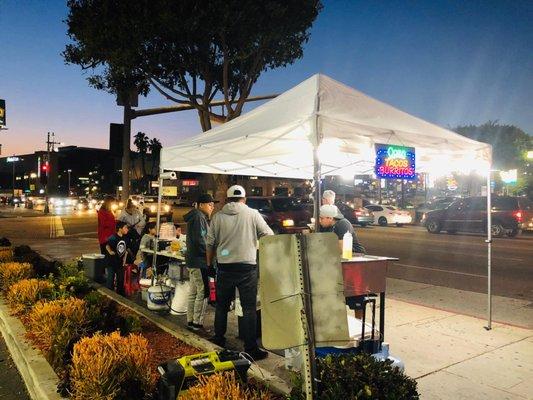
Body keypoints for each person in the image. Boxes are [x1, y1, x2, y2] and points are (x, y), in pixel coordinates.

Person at [206, 185, 273, 360]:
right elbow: (268, 234)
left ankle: (219, 339)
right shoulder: (252, 214)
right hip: (247, 268)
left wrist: (209, 264)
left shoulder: (218, 217)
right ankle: (251, 347)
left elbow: (210, 243)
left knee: (221, 307)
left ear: (227, 199)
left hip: (225, 267)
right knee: (249, 309)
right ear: (244, 199)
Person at [319, 204, 366, 317]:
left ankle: (359, 321)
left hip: (354, 257)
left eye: (321, 218)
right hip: (340, 260)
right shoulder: (328, 227)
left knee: (355, 295)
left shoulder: (342, 224)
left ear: (330, 218)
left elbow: (342, 249)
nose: (319, 221)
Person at [184, 193, 216, 333]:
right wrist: (210, 253)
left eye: (213, 205)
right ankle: (197, 323)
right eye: (210, 204)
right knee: (203, 292)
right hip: (199, 261)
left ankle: (191, 321)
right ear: (201, 205)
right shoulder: (198, 217)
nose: (212, 208)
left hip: (193, 260)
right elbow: (201, 241)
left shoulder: (196, 217)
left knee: (194, 292)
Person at [105, 221, 129, 295]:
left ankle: (120, 295)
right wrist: (110, 251)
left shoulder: (125, 238)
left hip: (120, 263)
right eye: (125, 227)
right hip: (111, 262)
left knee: (120, 280)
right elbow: (107, 245)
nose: (127, 229)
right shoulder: (113, 237)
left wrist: (124, 262)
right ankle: (109, 295)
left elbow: (125, 251)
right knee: (110, 279)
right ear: (120, 229)